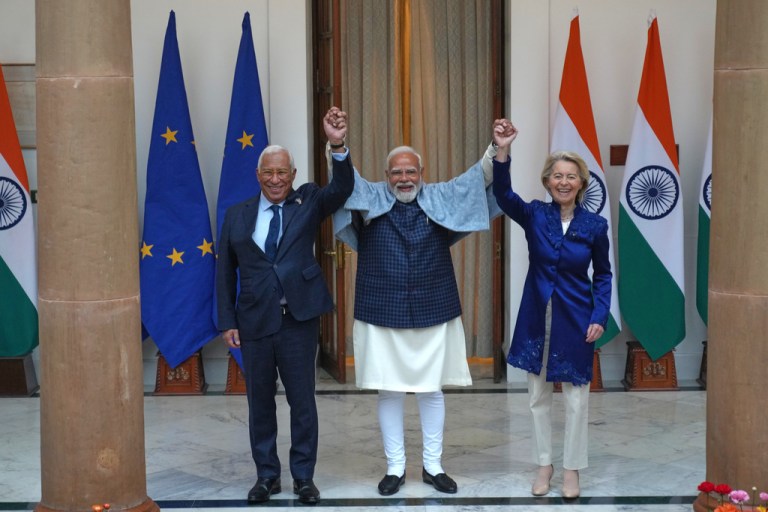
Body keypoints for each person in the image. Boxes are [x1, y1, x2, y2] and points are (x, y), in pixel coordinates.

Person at [329, 107, 517, 496]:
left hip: (435, 307)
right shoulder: (369, 196)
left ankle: (433, 466)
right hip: (380, 309)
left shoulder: (440, 196)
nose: (404, 178)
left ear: (422, 173)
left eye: (410, 171)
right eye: (396, 172)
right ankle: (395, 468)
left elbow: (476, 179)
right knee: (389, 390)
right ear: (386, 176)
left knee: (432, 389)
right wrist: (338, 145)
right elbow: (345, 182)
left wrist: (497, 149)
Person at [216, 109, 354, 505]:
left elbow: (341, 188)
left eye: (282, 172)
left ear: (293, 175)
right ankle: (267, 477)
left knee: (302, 402)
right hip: (254, 321)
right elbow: (224, 271)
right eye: (268, 172)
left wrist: (338, 145)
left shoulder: (308, 201)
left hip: (298, 319)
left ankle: (303, 477)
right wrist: (227, 321)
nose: (275, 179)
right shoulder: (237, 215)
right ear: (258, 175)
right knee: (260, 403)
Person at [492, 146, 612, 499]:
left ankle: (572, 468)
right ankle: (544, 464)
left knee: (576, 399)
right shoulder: (534, 214)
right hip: (536, 316)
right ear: (547, 181)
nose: (564, 182)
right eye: (557, 175)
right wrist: (502, 153)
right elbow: (503, 195)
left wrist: (599, 315)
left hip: (576, 319)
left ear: (581, 183)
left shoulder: (595, 226)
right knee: (537, 396)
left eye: (571, 176)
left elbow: (603, 275)